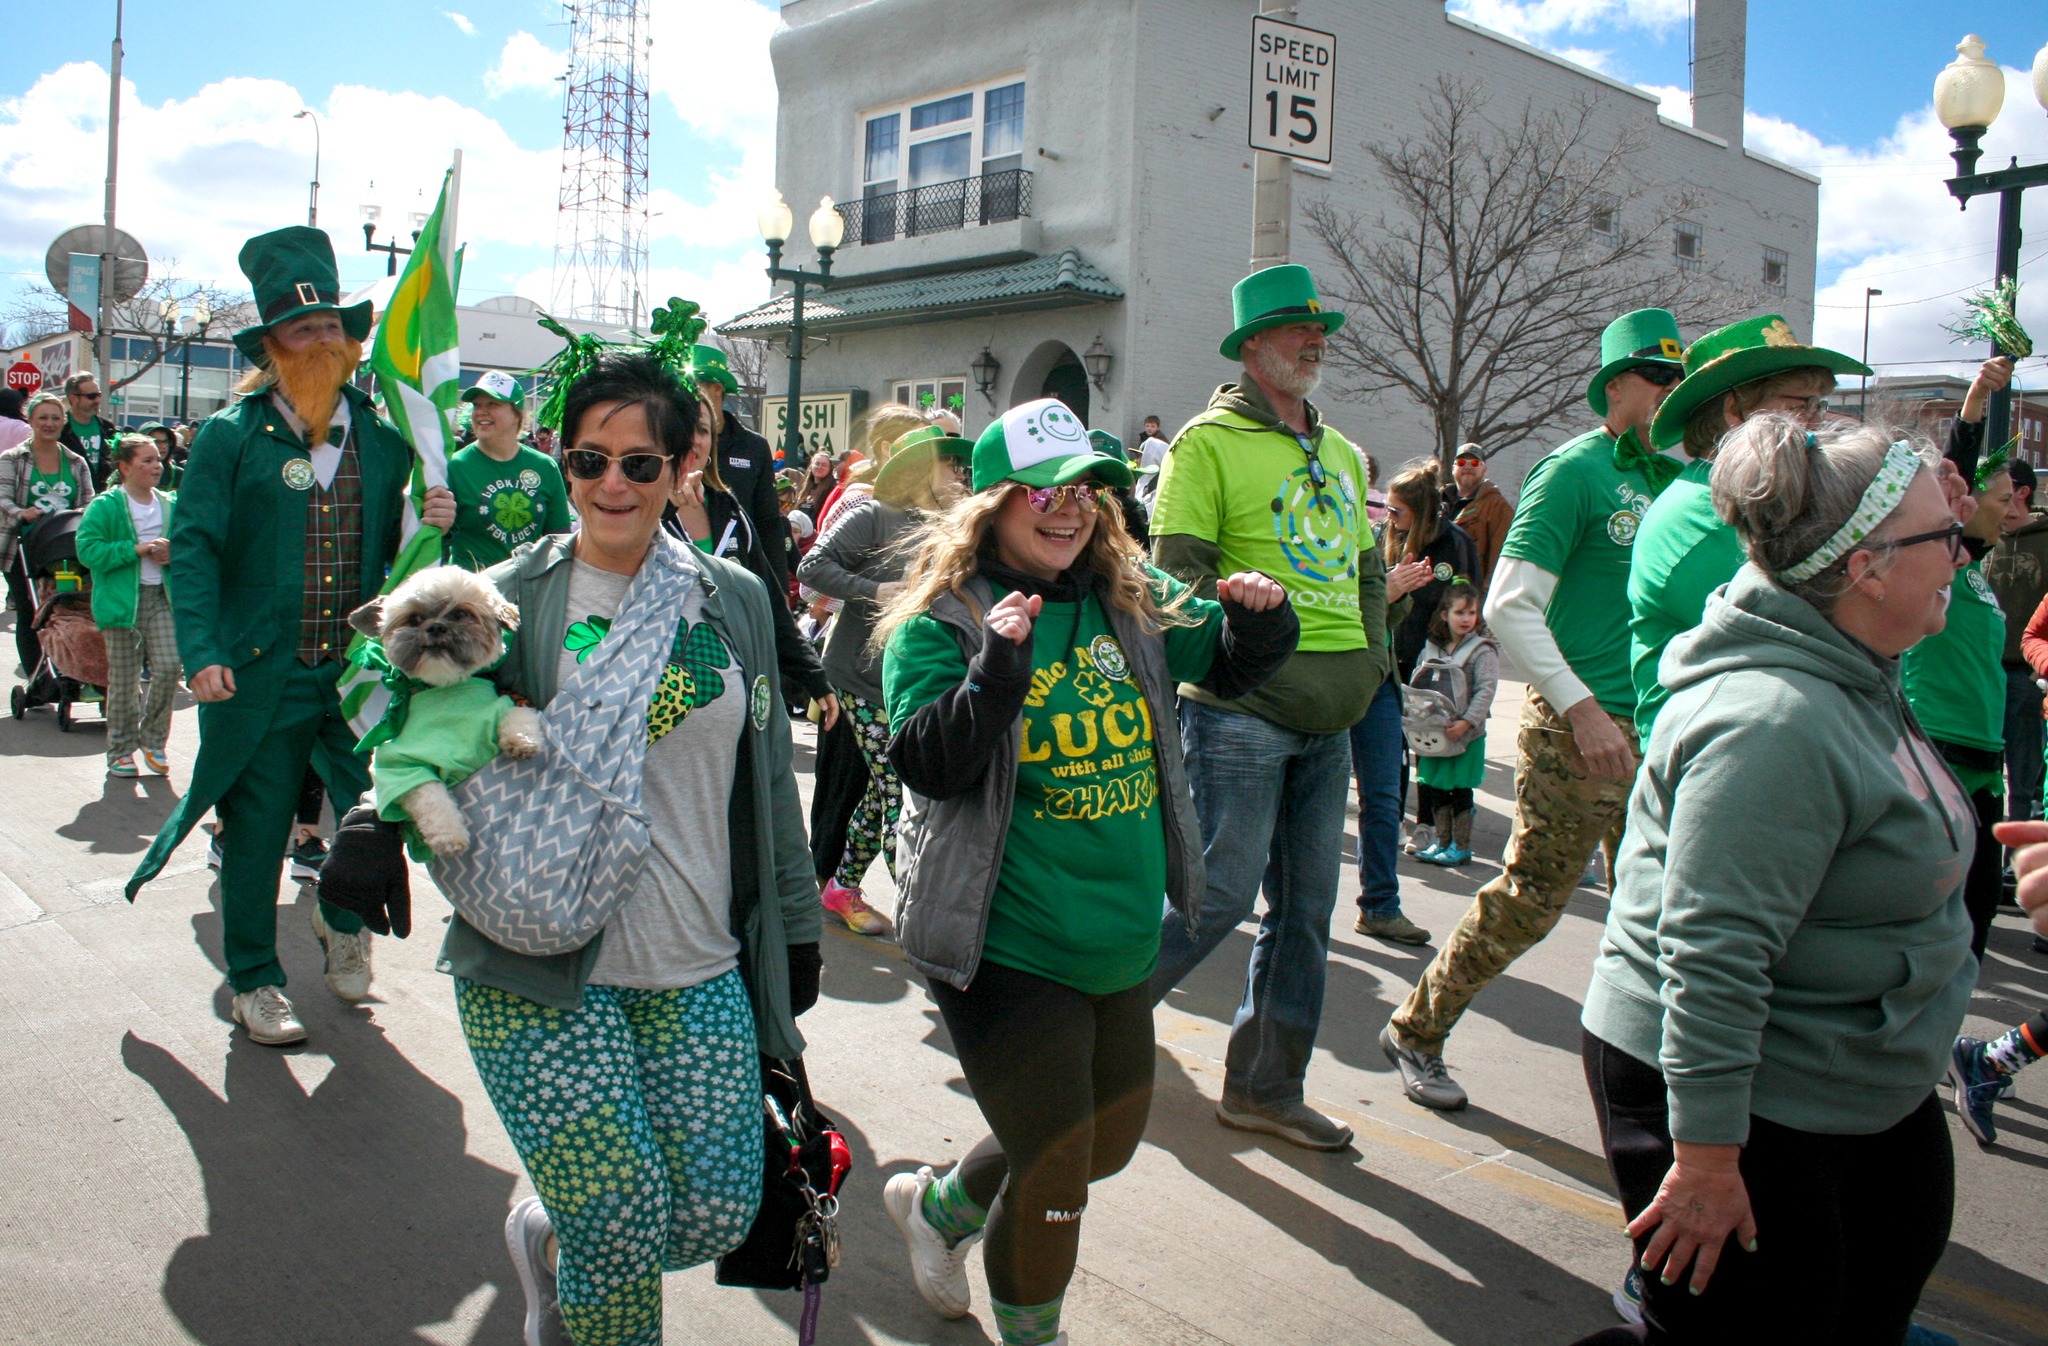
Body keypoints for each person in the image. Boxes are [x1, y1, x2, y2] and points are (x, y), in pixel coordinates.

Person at [323, 347, 822, 1346]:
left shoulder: (732, 598)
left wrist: (797, 922)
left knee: (718, 1209)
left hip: (697, 958)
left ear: (683, 466)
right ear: (562, 464)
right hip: (537, 958)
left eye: (641, 463)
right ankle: (588, 1249)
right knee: (623, 1223)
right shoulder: (507, 595)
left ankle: (553, 1238)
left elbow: (768, 772)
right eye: (589, 460)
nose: (612, 483)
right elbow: (402, 706)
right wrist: (373, 819)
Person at [875, 399, 1297, 1346]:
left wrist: (1261, 619)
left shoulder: (1125, 599)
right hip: (1005, 944)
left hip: (1118, 937)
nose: (1064, 509)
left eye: (1083, 490)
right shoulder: (941, 623)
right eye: (1038, 491)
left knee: (1098, 1149)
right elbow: (928, 763)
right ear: (989, 506)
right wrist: (997, 671)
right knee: (1059, 1175)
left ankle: (940, 1206)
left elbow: (1227, 669)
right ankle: (1037, 1333)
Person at [1571, 415, 1976, 1346]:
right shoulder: (1772, 725)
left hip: (1849, 1076)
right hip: (1738, 1092)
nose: (1961, 550)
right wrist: (1708, 1162)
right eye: (1941, 535)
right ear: (1867, 569)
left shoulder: (1856, 658)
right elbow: (1712, 960)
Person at [125, 225, 458, 1045]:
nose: (321, 342)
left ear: (351, 344)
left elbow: (399, 559)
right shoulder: (230, 438)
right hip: (253, 671)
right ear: (272, 346)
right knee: (256, 827)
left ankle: (343, 921)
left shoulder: (384, 444)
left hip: (354, 673)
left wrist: (431, 522)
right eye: (302, 330)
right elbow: (194, 548)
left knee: (374, 812)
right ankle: (254, 979)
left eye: (333, 328)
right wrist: (200, 652)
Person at [1381, 309, 1686, 1113]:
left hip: (1659, 726)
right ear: (1614, 382)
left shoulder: (1681, 483)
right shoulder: (1575, 471)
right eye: (1657, 376)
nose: (1670, 392)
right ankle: (1417, 1029)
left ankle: (1653, 1086)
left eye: (1678, 378)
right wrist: (1583, 710)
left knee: (1657, 910)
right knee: (1533, 897)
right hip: (1580, 723)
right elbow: (1511, 605)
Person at [1146, 264, 1391, 1150]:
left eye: (1319, 327)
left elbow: (1366, 570)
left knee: (1306, 914)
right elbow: (1175, 576)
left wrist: (1372, 661)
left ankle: (1264, 1087)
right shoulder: (1203, 446)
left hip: (1331, 716)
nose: (1313, 340)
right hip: (1240, 712)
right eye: (1295, 328)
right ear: (1252, 346)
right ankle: (1085, 1026)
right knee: (1215, 897)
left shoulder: (1340, 453)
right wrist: (1248, 628)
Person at [1628, 315, 1872, 744]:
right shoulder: (1711, 515)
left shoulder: (1759, 498)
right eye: (1800, 405)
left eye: (1820, 406)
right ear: (1735, 411)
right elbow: (1823, 630)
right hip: (1712, 755)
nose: (1817, 424)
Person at [797, 424, 971, 938]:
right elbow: (811, 565)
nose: (959, 474)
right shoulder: (874, 515)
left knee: (881, 793)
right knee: (900, 793)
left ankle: (841, 889)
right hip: (860, 679)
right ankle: (927, 914)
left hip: (910, 685)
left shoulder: (953, 526)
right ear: (921, 471)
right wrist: (874, 589)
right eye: (949, 464)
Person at [1902, 393, 2016, 962]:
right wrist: (1974, 406)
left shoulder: (1981, 578)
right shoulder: (1950, 554)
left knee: (1980, 910)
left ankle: (1954, 1044)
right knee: (1933, 915)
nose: (2015, 505)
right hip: (1936, 744)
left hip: (1984, 756)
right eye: (2004, 496)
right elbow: (1957, 477)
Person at [664, 389, 838, 725]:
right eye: (680, 426)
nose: (693, 440)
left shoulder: (730, 511)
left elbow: (767, 598)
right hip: (668, 700)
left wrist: (812, 675)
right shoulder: (640, 512)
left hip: (735, 688)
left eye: (702, 429)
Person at [76, 434, 180, 777]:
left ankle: (153, 742)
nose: (156, 466)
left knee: (168, 667)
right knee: (123, 680)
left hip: (161, 600)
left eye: (158, 459)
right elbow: (88, 551)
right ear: (124, 467)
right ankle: (120, 750)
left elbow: (189, 547)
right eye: (146, 461)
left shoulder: (169, 504)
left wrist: (171, 554)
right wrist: (137, 549)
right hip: (122, 603)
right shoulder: (106, 505)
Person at [0, 390, 98, 678]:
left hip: (65, 547)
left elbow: (91, 500)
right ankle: (36, 675)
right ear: (29, 420)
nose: (49, 423)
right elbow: (2, 497)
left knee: (70, 608)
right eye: (42, 417)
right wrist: (21, 512)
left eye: (56, 418)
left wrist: (83, 513)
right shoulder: (12, 459)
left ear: (63, 422)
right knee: (32, 610)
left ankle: (71, 669)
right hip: (24, 546)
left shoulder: (76, 462)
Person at [444, 370, 572, 571]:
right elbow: (439, 536)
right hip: (472, 592)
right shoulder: (455, 466)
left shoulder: (544, 467)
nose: (481, 412)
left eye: (492, 404)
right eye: (477, 405)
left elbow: (559, 539)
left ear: (516, 415)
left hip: (526, 589)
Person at [1408, 583, 1497, 868]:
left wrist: (1467, 721)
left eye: (1472, 612)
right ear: (1445, 614)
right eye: (1460, 612)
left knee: (1459, 790)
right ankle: (1441, 841)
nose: (1467, 618)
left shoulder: (1482, 650)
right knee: (1435, 787)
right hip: (1435, 733)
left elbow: (1486, 689)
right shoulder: (1432, 646)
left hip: (1466, 736)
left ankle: (1460, 845)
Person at [692, 343, 791, 597]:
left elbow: (769, 522)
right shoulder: (673, 442)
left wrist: (777, 593)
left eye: (694, 385)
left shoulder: (753, 446)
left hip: (740, 575)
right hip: (686, 569)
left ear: (717, 389)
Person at [1987, 457, 2048, 827]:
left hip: (2024, 677)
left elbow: (2038, 630)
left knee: (2024, 780)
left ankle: (2019, 865)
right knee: (1985, 777)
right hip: (1982, 674)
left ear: (2022, 493)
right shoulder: (1982, 542)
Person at [1446, 444, 1513, 589]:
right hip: (1432, 596)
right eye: (1462, 463)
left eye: (1475, 463)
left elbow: (1499, 560)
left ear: (1484, 470)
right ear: (1453, 469)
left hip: (1468, 599)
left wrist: (1484, 600)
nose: (1468, 467)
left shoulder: (1498, 507)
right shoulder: (1436, 501)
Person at [60, 372, 117, 489]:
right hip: (72, 494)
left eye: (99, 395)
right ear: (73, 399)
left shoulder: (108, 428)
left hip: (102, 496)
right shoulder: (61, 430)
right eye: (91, 396)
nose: (97, 400)